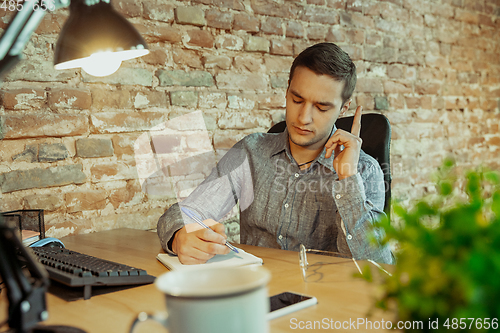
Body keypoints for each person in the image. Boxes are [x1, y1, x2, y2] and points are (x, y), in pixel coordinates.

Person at [157, 42, 394, 265]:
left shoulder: (364, 170)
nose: (303, 118)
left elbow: (378, 264)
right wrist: (179, 236)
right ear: (287, 91)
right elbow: (189, 211)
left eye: (321, 107)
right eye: (297, 99)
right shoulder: (251, 151)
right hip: (255, 291)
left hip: (323, 299)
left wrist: (348, 179)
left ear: (344, 108)